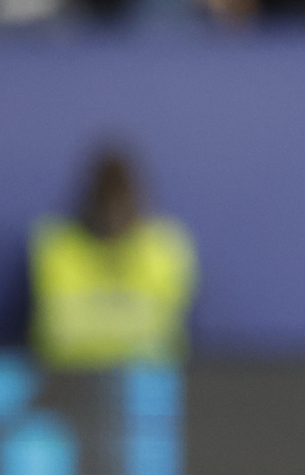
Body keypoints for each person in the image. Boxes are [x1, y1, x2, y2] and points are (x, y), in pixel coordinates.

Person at [29, 147, 196, 371]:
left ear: (138, 200)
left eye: (121, 202)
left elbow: (164, 334)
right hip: (70, 383)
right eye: (105, 201)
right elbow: (60, 335)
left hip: (147, 387)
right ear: (89, 200)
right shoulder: (55, 245)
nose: (113, 214)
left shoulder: (167, 247)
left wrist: (93, 320)